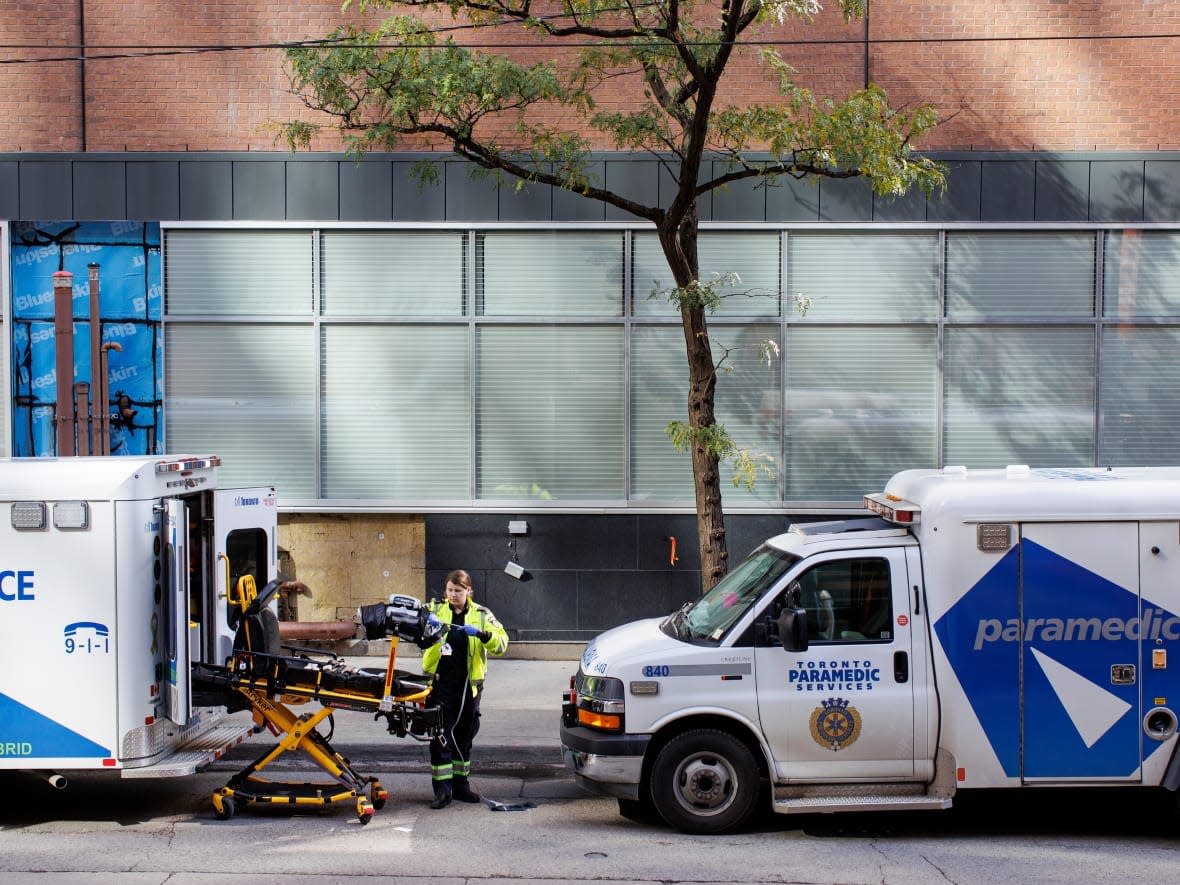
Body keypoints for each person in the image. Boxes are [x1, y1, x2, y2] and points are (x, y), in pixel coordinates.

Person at [421, 569, 509, 809]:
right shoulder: (435, 610)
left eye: (458, 591)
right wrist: (427, 625)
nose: (453, 595)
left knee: (464, 737)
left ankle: (461, 787)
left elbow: (502, 644)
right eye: (450, 590)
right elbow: (416, 629)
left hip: (469, 688)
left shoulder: (482, 614)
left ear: (468, 591)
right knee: (441, 736)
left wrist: (482, 634)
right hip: (441, 684)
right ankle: (442, 790)